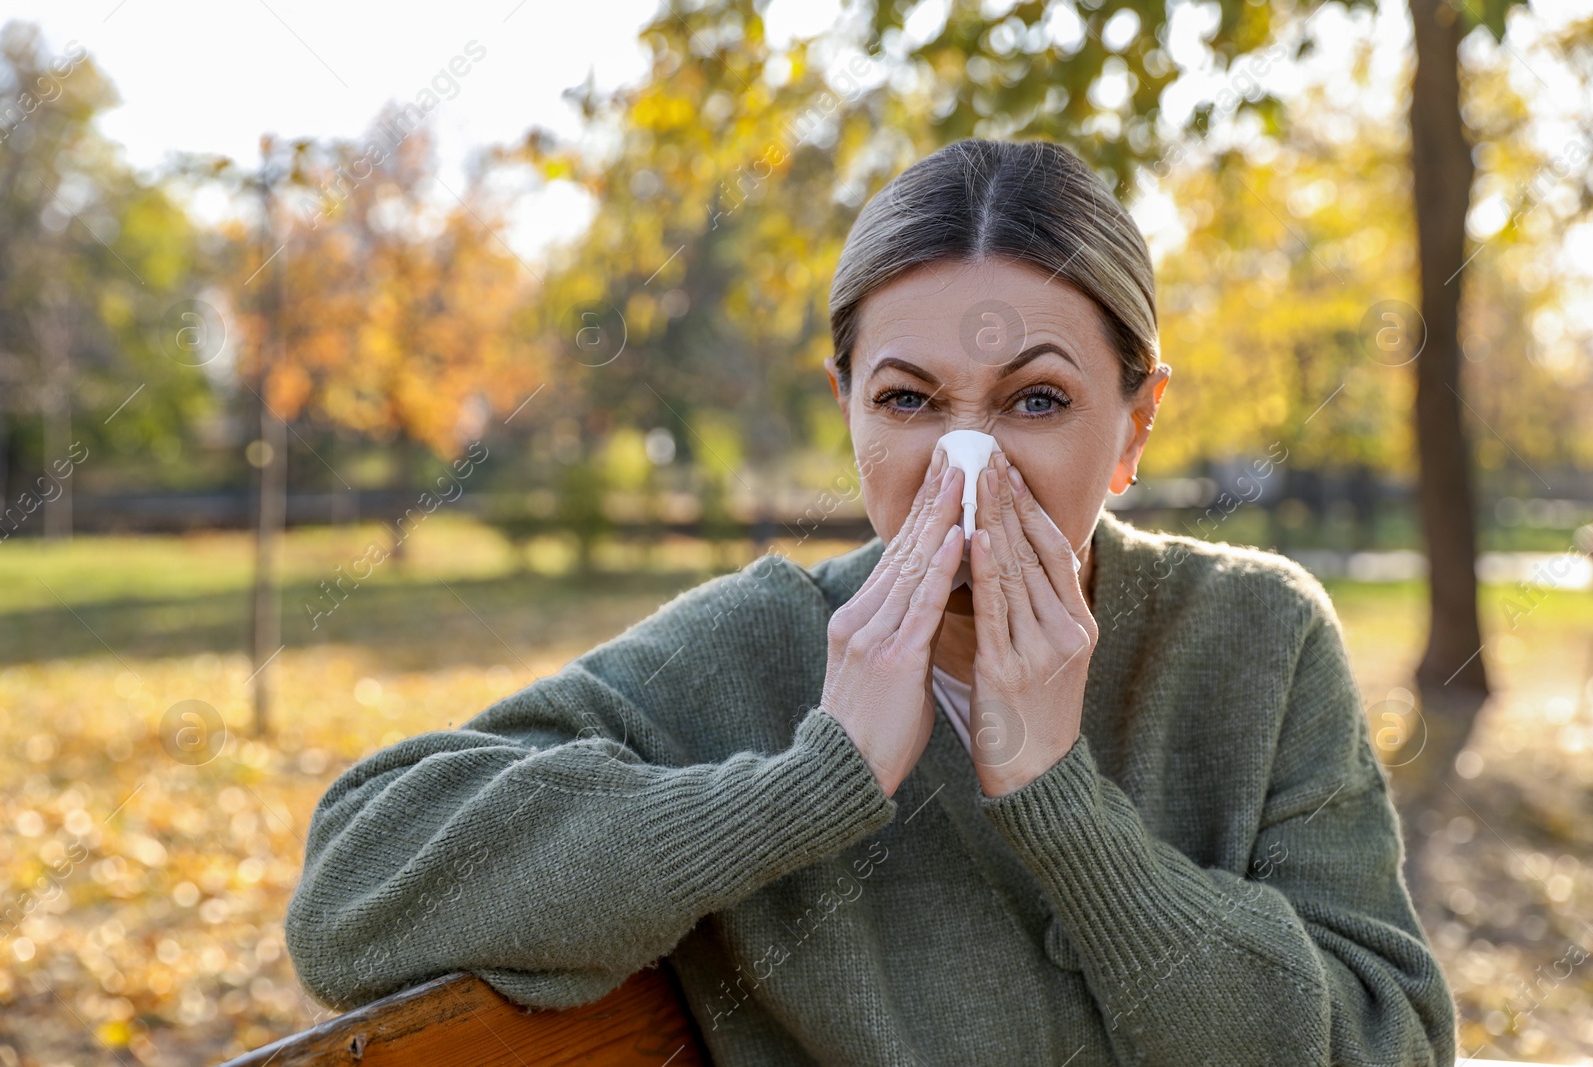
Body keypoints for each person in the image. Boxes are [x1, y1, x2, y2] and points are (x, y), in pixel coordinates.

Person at [285, 138, 1456, 1065]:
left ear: (1134, 424)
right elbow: (351, 899)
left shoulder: (1255, 641)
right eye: (909, 400)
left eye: (1036, 401)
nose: (968, 466)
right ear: (848, 404)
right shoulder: (751, 649)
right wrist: (813, 779)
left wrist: (1060, 801)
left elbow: (1388, 1045)